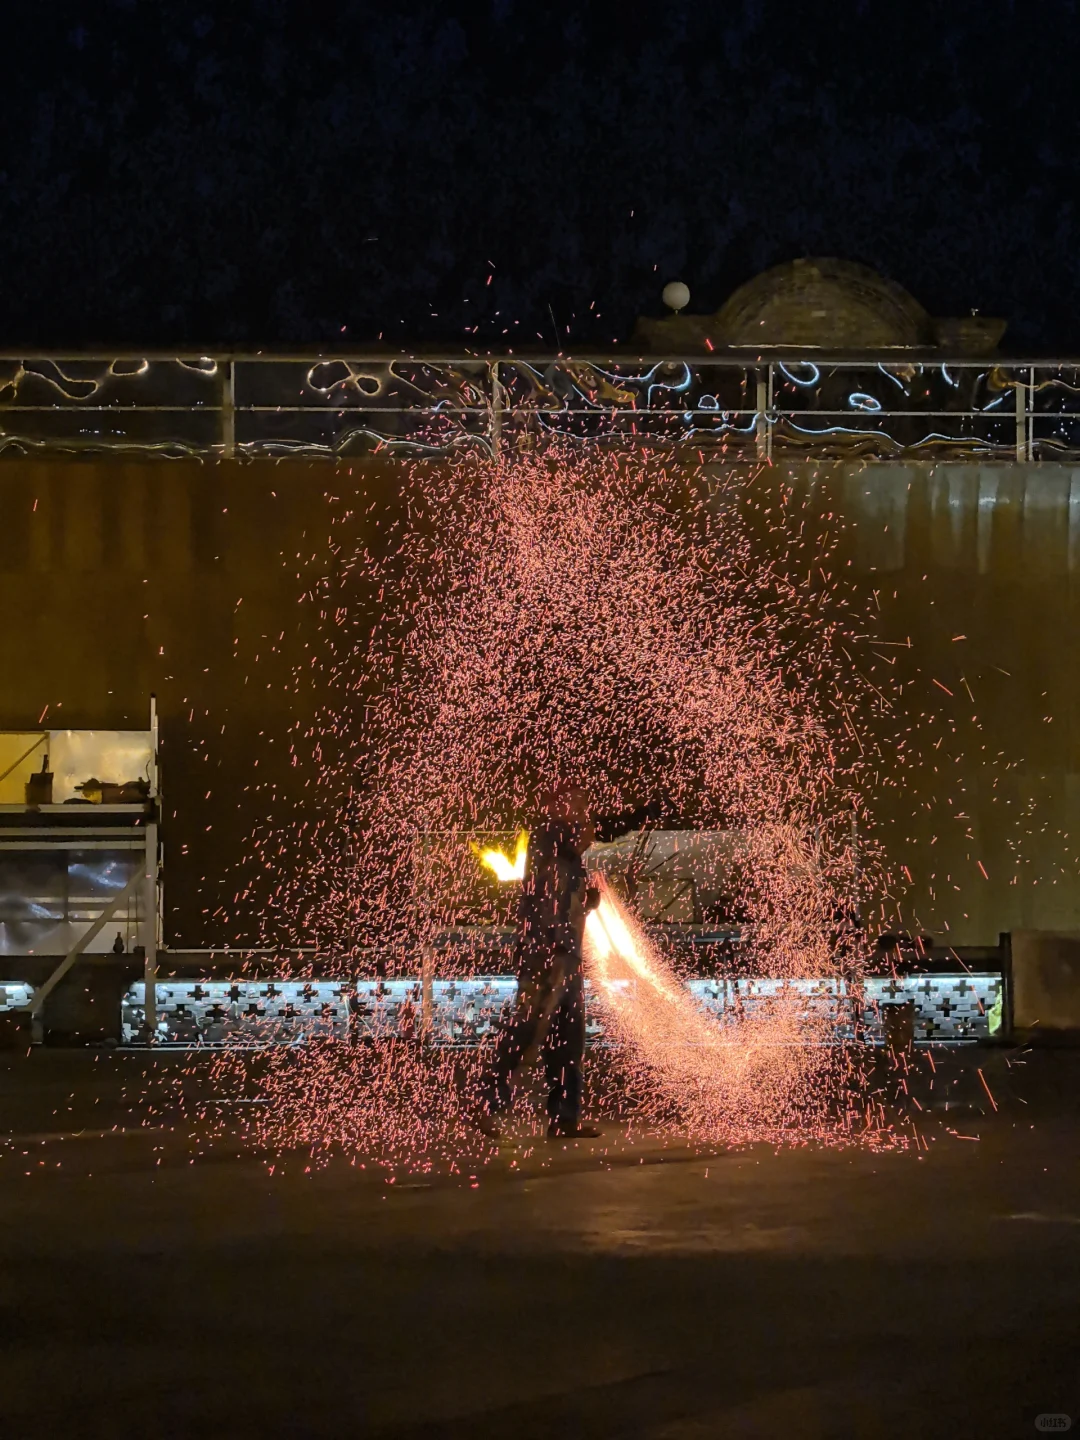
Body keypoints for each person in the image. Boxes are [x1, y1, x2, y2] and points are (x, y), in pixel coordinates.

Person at [476, 785, 660, 1141]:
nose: (585, 815)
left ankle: (565, 1118)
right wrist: (636, 817)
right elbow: (598, 832)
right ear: (559, 808)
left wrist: (586, 904)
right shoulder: (551, 837)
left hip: (563, 956)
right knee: (527, 1032)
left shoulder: (565, 853)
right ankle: (485, 1102)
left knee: (567, 1040)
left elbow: (562, 899)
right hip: (548, 955)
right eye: (578, 805)